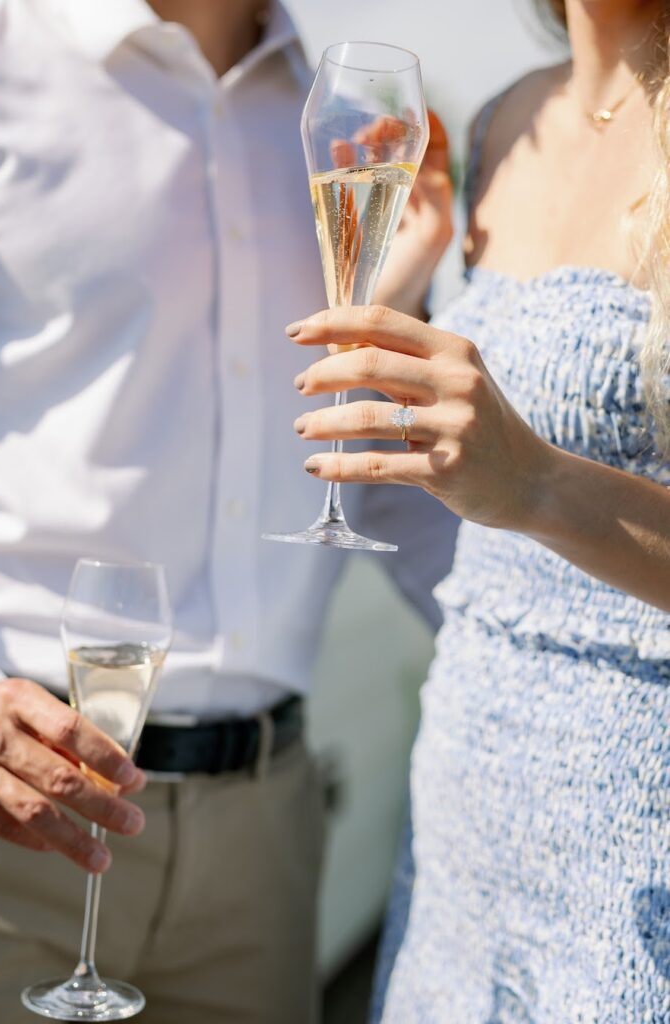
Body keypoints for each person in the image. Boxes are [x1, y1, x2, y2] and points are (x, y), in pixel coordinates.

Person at [0, 1, 458, 1022]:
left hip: (268, 843)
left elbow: (371, 480)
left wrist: (408, 305)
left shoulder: (352, 119)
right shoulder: (0, 56)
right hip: (18, 830)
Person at [287, 0, 670, 1020]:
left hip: (637, 840)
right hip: (460, 816)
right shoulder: (504, 123)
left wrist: (539, 483)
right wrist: (407, 295)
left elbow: (523, 471)